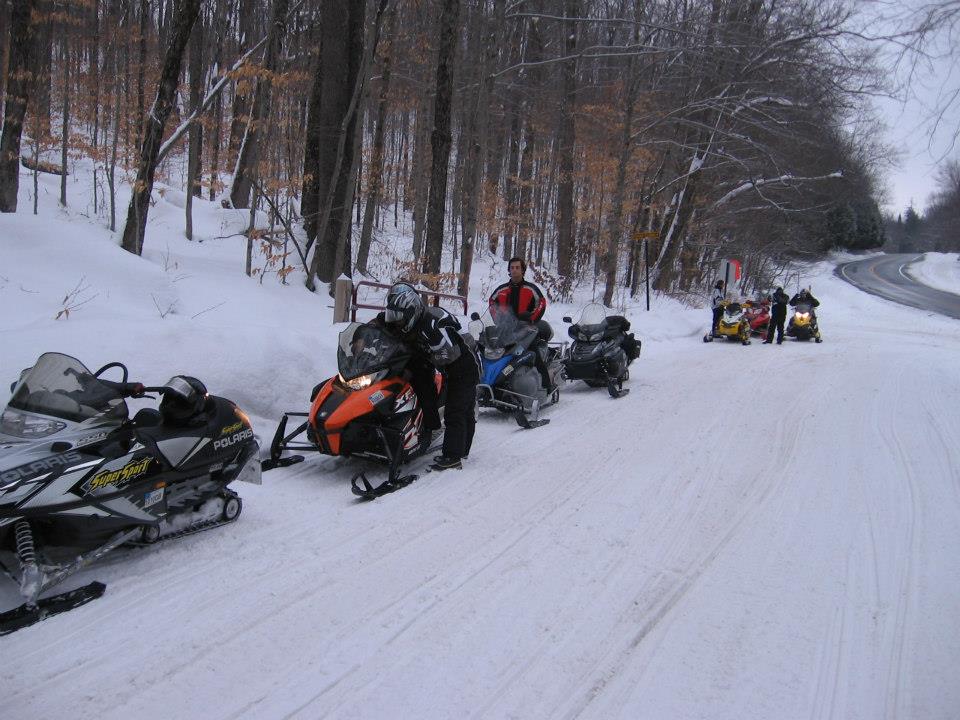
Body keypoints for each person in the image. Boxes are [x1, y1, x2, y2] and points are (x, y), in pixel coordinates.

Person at [381, 282, 479, 471]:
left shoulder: (431, 326)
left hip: (463, 366)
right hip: (446, 365)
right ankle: (455, 443)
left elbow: (448, 354)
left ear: (412, 312)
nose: (397, 322)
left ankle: (453, 456)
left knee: (457, 410)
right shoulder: (410, 322)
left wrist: (423, 354)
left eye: (400, 318)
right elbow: (385, 323)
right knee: (459, 408)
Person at [489, 257, 552, 390]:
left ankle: (547, 386)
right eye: (512, 268)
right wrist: (497, 319)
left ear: (522, 270)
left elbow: (541, 302)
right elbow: (491, 302)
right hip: (505, 330)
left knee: (534, 354)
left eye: (517, 267)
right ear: (509, 270)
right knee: (495, 355)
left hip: (526, 331)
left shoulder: (530, 289)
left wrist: (531, 319)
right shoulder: (502, 290)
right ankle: (496, 384)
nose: (515, 270)